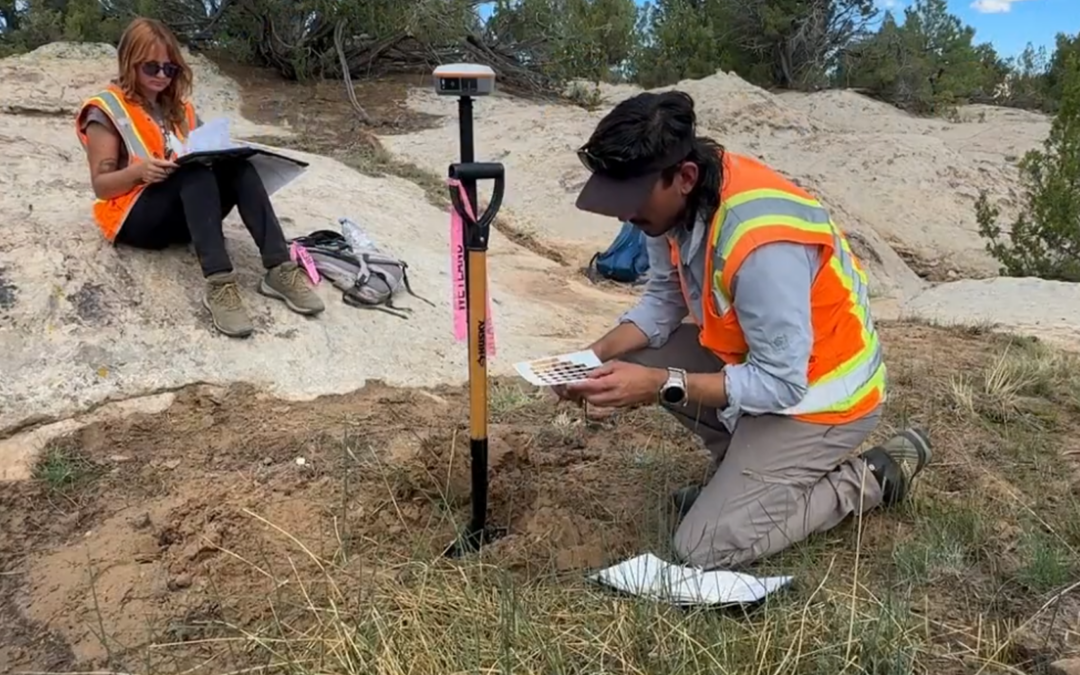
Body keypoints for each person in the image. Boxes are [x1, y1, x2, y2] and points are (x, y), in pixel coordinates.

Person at [562, 90, 933, 570]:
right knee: (633, 361)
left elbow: (782, 384)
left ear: (685, 177)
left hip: (822, 401)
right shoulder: (672, 210)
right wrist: (587, 360)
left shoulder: (760, 246)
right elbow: (662, 303)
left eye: (631, 198)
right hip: (762, 371)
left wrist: (659, 385)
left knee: (702, 548)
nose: (621, 214)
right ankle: (741, 480)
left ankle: (870, 478)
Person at [74, 17, 324, 338]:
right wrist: (139, 172)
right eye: (152, 68)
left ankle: (279, 269)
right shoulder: (107, 110)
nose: (162, 76)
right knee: (193, 173)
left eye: (170, 68)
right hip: (135, 220)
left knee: (238, 166)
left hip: (188, 214)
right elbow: (102, 186)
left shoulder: (179, 108)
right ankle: (220, 283)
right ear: (130, 63)